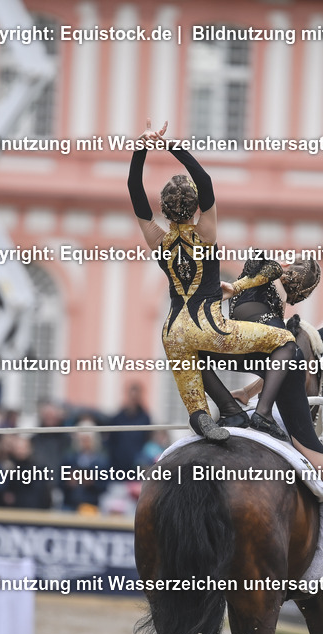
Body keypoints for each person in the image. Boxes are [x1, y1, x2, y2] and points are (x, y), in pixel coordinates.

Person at [128, 119, 297, 442]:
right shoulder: (205, 234)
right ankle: (262, 412)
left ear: (163, 212)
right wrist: (171, 144)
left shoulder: (157, 240)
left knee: (189, 365)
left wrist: (142, 147)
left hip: (173, 332)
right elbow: (204, 180)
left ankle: (204, 412)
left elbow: (134, 190)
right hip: (211, 327)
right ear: (196, 210)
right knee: (285, 341)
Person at [203, 255, 323, 540]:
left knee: (190, 353)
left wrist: (233, 288)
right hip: (269, 348)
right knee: (311, 447)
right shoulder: (276, 299)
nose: (287, 265)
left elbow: (268, 358)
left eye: (293, 265)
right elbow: (275, 361)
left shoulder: (268, 277)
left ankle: (229, 408)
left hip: (241, 342)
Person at [107, 382, 151, 472]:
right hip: (118, 466)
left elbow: (147, 440)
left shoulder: (145, 418)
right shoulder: (117, 418)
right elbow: (112, 441)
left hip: (137, 466)